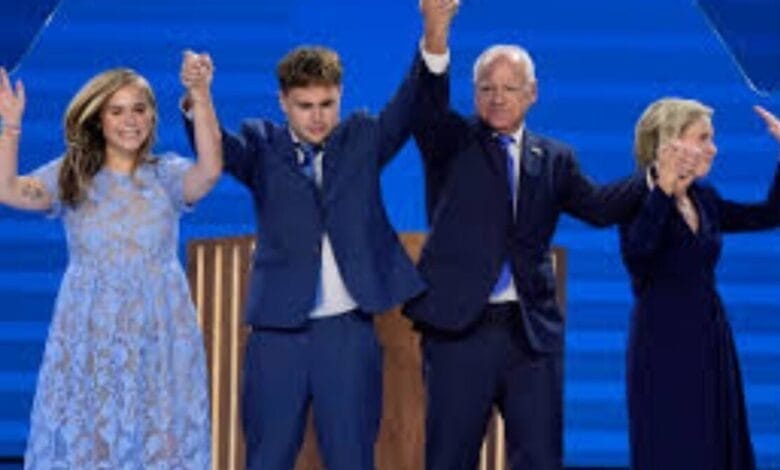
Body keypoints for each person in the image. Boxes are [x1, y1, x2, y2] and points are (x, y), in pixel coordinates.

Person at [179, 1, 459, 468]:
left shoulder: (364, 137)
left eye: (327, 104)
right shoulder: (261, 144)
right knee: (267, 458)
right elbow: (216, 151)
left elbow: (415, 100)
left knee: (352, 458)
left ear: (341, 97)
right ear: (282, 102)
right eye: (304, 106)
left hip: (348, 333)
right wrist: (199, 97)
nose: (316, 116)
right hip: (276, 335)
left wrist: (435, 30)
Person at [404, 8, 645, 469]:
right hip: (459, 331)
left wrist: (652, 177)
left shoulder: (554, 158)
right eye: (486, 89)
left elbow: (597, 208)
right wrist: (436, 33)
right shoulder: (450, 140)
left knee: (540, 458)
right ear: (474, 94)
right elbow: (427, 107)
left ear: (531, 94)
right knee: (449, 457)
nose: (497, 98)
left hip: (530, 335)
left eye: (509, 89)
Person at [0, 54, 221, 468]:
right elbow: (8, 190)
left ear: (153, 116)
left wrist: (200, 94)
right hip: (92, 340)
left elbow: (209, 172)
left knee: (161, 443)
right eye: (116, 111)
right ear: (98, 119)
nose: (130, 120)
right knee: (94, 446)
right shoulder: (72, 175)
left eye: (139, 109)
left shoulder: (167, 176)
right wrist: (10, 125)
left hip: (159, 339)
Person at [621, 98, 780, 470]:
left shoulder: (704, 198)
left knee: (714, 443)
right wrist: (663, 191)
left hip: (709, 336)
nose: (713, 148)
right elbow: (638, 255)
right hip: (663, 343)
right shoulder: (634, 197)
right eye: (703, 137)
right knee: (676, 442)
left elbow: (768, 215)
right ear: (671, 143)